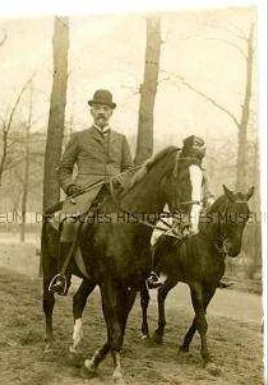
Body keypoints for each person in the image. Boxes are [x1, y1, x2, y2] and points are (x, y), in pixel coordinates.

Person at [49, 89, 133, 294]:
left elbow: (129, 169)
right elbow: (63, 169)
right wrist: (70, 187)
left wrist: (118, 182)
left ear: (111, 112)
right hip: (84, 193)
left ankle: (142, 271)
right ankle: (62, 275)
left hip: (115, 194)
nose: (101, 112)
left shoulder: (121, 139)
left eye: (105, 108)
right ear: (91, 112)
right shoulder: (79, 137)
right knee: (69, 223)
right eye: (97, 108)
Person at [147, 135, 214, 288]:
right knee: (163, 234)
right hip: (177, 211)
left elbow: (208, 194)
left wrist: (209, 202)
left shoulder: (202, 174)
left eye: (198, 156)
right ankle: (154, 272)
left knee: (213, 236)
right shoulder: (175, 171)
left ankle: (212, 273)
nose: (195, 159)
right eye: (193, 154)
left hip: (197, 212)